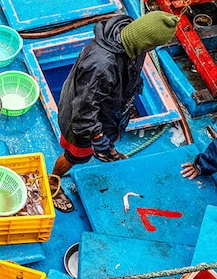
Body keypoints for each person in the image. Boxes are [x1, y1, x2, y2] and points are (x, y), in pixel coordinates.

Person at [49, 11, 179, 212]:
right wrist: (96, 135)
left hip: (110, 113)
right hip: (81, 123)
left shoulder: (132, 41)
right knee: (75, 155)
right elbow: (83, 111)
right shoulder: (101, 65)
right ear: (147, 42)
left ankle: (106, 152)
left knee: (108, 138)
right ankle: (52, 181)